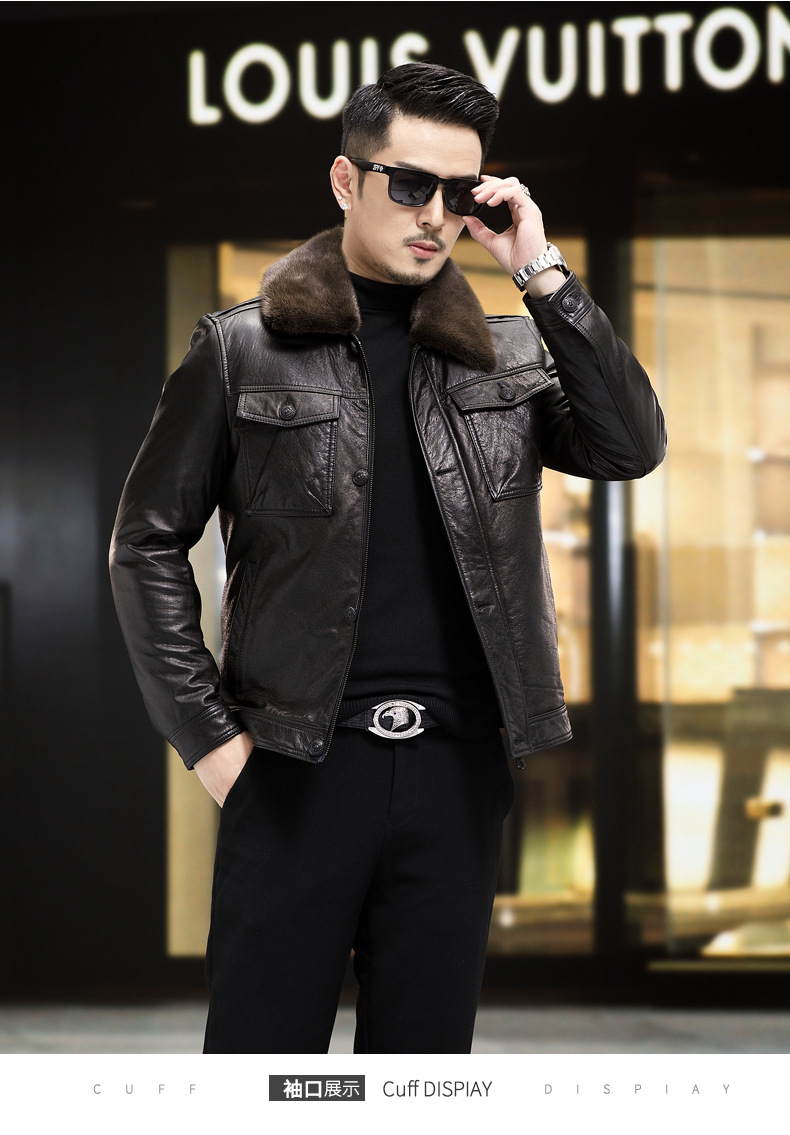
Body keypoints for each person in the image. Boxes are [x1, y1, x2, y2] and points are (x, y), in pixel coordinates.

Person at [110, 62, 666, 1054]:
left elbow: (629, 445)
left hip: (457, 773)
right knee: (261, 1081)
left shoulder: (509, 354)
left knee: (421, 1083)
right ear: (345, 180)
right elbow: (144, 542)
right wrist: (212, 743)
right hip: (295, 771)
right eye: (409, 184)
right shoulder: (240, 351)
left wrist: (540, 271)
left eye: (459, 193)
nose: (434, 215)